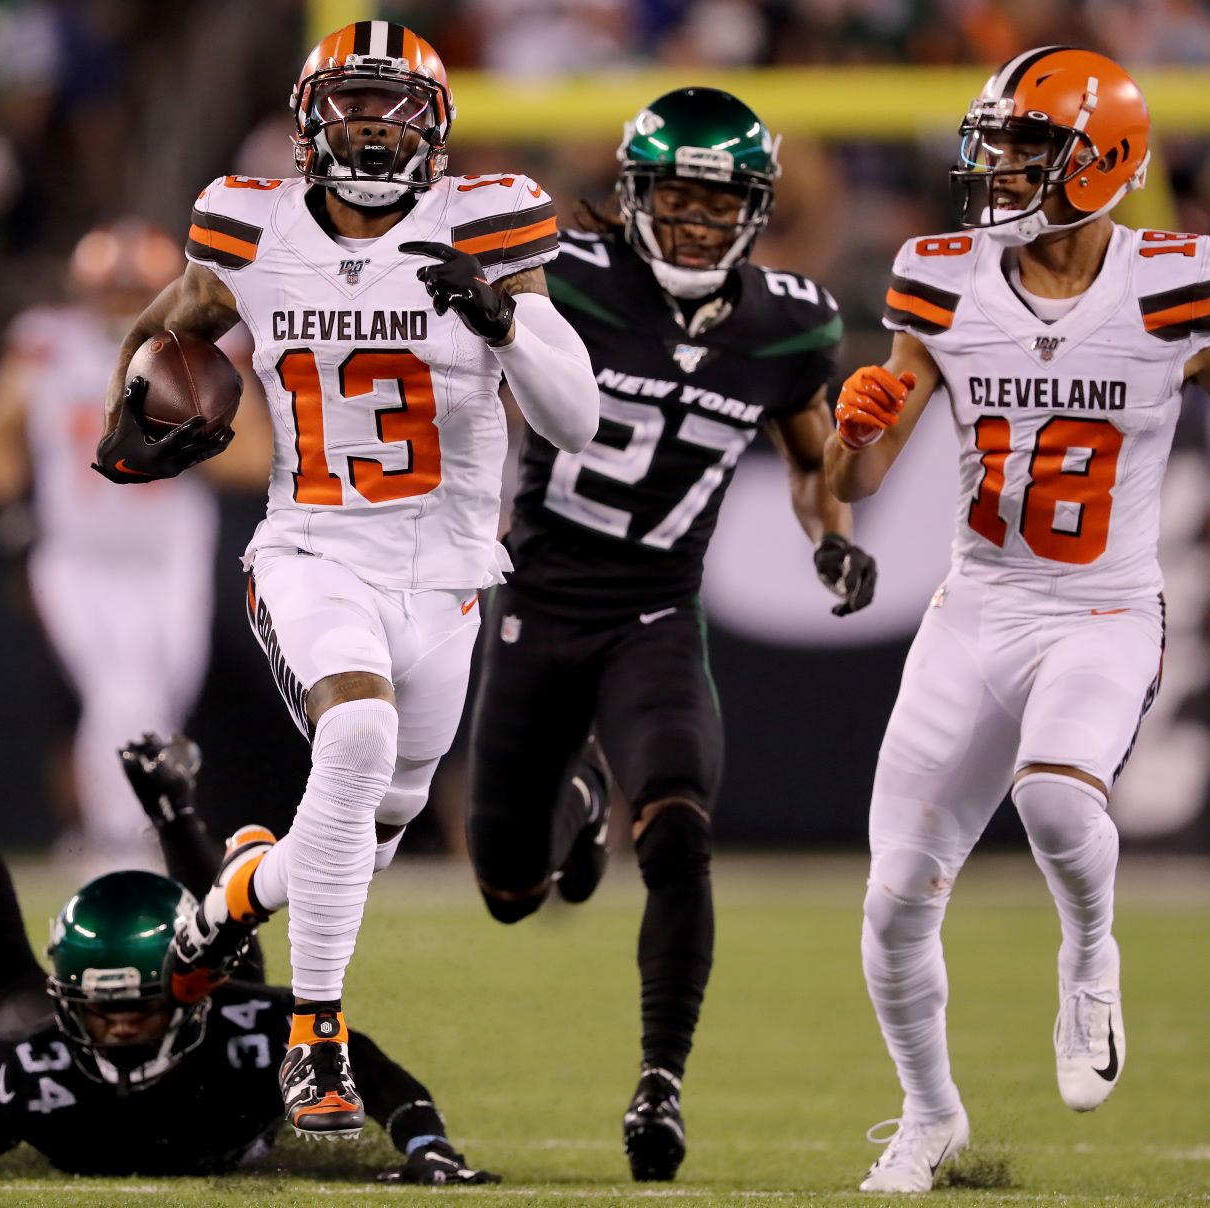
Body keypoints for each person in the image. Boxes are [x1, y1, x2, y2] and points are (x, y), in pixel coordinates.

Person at [93, 21, 600, 1136]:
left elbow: (579, 417)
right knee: (356, 745)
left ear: (437, 125)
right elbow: (168, 323)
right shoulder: (249, 224)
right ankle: (313, 1037)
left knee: (365, 830)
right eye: (350, 105)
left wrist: (506, 320)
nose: (372, 124)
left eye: (396, 106)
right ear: (309, 119)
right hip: (315, 548)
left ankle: (230, 896)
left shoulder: (488, 223)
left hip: (452, 570)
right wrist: (124, 410)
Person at [462, 88, 875, 1183]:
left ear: (754, 210)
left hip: (655, 609)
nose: (693, 223)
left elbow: (806, 453)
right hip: (540, 599)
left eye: (715, 203)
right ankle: (577, 806)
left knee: (683, 823)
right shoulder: (565, 279)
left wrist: (828, 534)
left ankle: (660, 1080)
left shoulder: (791, 320)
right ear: (635, 196)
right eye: (674, 198)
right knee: (509, 890)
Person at [823, 48, 1206, 1193]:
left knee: (1053, 789)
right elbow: (861, 479)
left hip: (1099, 604)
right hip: (975, 603)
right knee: (894, 892)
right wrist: (856, 426)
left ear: (1106, 160)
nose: (998, 167)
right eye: (996, 144)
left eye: (1029, 148)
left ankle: (1089, 956)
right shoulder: (940, 276)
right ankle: (928, 1114)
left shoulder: (1175, 280)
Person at [0, 674, 496, 1185]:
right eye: (99, 1007)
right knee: (12, 994)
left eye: (139, 1005)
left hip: (216, 1017)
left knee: (235, 967)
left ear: (184, 996)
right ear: (66, 1001)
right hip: (156, 1031)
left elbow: (372, 1070)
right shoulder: (39, 1059)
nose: (118, 1024)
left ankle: (170, 807)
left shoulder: (251, 1028)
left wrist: (426, 1145)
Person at [0, 221, 219, 871]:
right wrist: (11, 516)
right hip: (79, 554)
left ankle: (147, 827)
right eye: (111, 291)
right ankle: (119, 838)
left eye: (134, 291)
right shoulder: (49, 345)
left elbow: (250, 457)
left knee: (165, 692)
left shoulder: (198, 347)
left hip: (168, 552)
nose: (122, 305)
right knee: (118, 693)